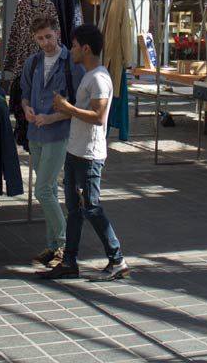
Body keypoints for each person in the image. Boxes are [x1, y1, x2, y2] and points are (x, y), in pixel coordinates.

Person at [41, 24, 128, 282]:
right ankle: (69, 260)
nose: (72, 50)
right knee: (75, 210)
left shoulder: (99, 78)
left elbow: (99, 117)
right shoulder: (90, 76)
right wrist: (63, 109)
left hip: (88, 154)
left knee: (91, 207)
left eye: (76, 46)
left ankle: (117, 259)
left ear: (86, 48)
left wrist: (67, 107)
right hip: (75, 150)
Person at [20, 16, 84, 269]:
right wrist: (26, 110)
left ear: (57, 33)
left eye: (48, 36)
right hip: (35, 133)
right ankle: (53, 246)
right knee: (48, 192)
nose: (45, 42)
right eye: (39, 38)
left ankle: (64, 243)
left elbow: (78, 107)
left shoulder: (72, 64)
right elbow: (24, 94)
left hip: (58, 133)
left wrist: (52, 117)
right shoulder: (32, 62)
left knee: (43, 190)